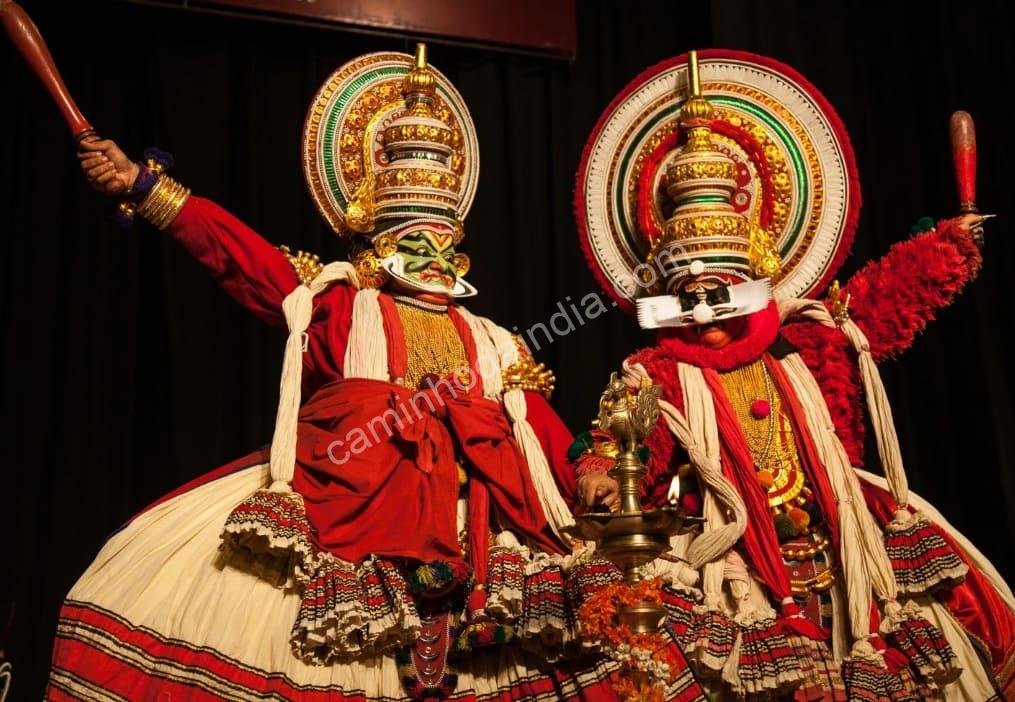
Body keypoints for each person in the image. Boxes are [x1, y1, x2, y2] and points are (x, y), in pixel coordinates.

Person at [47, 45, 627, 701]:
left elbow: (538, 428)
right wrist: (144, 186)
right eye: (415, 242)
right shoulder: (338, 303)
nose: (434, 260)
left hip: (483, 539)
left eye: (446, 246)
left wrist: (592, 469)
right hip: (352, 520)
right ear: (377, 241)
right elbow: (241, 258)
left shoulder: (494, 341)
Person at [571, 50, 1014, 700]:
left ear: (753, 280)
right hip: (734, 569)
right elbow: (615, 448)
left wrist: (946, 246)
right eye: (686, 293)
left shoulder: (808, 339)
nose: (704, 309)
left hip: (843, 544)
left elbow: (883, 297)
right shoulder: (655, 374)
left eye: (719, 288)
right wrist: (602, 474)